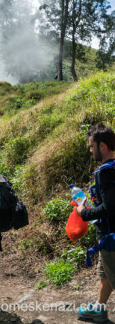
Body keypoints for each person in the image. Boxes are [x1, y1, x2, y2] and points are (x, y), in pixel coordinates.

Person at [78, 123, 115, 323]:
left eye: (92, 146)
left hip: (111, 239)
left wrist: (84, 212)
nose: (90, 150)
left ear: (102, 146)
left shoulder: (104, 172)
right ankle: (99, 310)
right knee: (105, 276)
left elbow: (110, 208)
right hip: (108, 238)